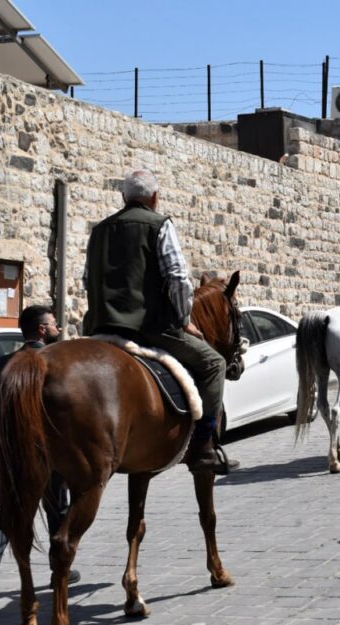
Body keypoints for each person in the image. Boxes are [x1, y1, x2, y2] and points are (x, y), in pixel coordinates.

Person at [83, 169, 234, 474]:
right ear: (155, 197)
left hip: (100, 327)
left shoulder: (99, 230)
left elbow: (87, 279)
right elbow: (178, 278)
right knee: (215, 364)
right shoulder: (159, 224)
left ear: (123, 197)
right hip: (150, 328)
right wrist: (183, 319)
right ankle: (204, 445)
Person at [0, 305, 77, 615]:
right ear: (42, 330)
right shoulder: (56, 362)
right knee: (57, 507)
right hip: (48, 451)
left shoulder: (1, 364)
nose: (59, 328)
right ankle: (59, 567)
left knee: (7, 511)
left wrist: (8, 439)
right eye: (55, 324)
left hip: (8, 450)